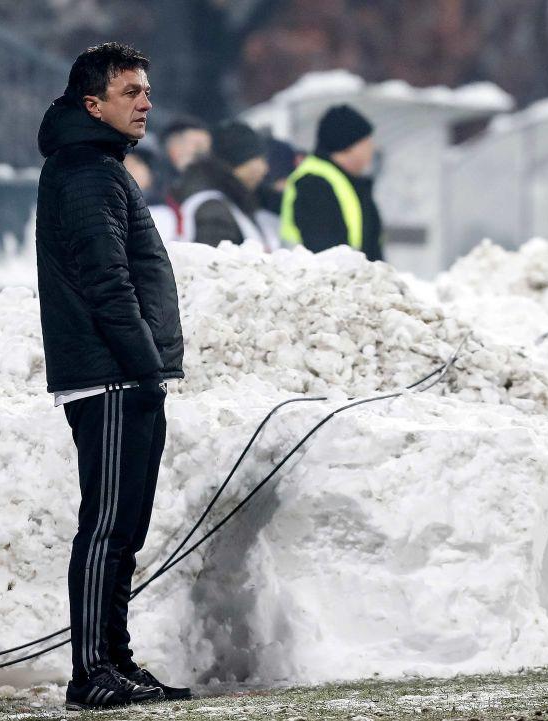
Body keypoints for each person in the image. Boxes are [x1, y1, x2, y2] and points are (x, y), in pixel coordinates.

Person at [36, 42, 188, 710]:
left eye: (147, 91)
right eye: (131, 92)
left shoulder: (97, 167)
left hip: (120, 375)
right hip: (112, 378)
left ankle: (113, 660)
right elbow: (107, 283)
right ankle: (94, 669)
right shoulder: (87, 173)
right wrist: (144, 366)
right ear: (93, 104)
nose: (146, 103)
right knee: (107, 527)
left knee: (123, 529)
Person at [281, 104, 384, 261]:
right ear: (348, 145)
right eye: (367, 143)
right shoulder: (314, 183)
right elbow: (324, 251)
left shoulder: (346, 181)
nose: (372, 149)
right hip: (315, 276)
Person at [174, 120, 279, 250]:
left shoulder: (231, 200)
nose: (265, 169)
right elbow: (213, 260)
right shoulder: (213, 210)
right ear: (241, 160)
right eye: (261, 159)